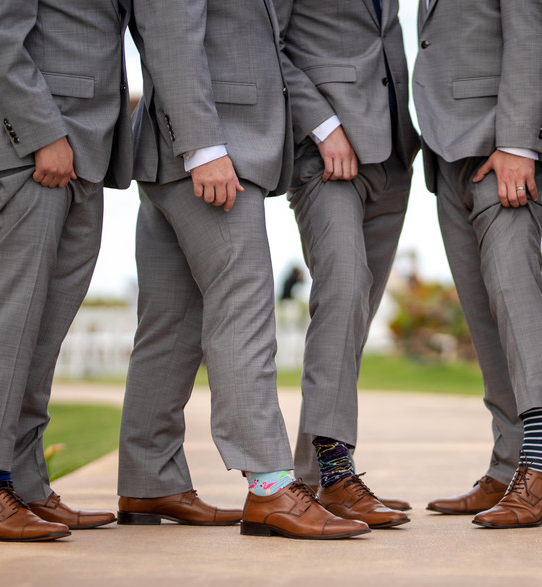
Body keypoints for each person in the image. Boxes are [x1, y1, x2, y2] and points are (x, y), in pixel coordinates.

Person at [116, 0, 369, 540]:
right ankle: (271, 487)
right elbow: (168, 32)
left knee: (170, 327)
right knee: (244, 310)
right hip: (211, 149)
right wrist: (203, 145)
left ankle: (149, 479)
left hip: (187, 152)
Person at [0, 0, 133, 541]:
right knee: (9, 324)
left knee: (42, 334)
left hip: (87, 144)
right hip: (32, 144)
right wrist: (42, 133)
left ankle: (28, 487)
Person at [414, 0, 542, 528]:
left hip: (504, 150)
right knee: (485, 317)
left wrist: (518, 143)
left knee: (514, 297)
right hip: (447, 151)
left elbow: (533, 34)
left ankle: (541, 462)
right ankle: (509, 466)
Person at [274, 0, 421, 528]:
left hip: (394, 156)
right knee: (343, 290)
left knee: (355, 314)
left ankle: (311, 478)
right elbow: (272, 40)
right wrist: (322, 123)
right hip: (325, 156)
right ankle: (336, 472)